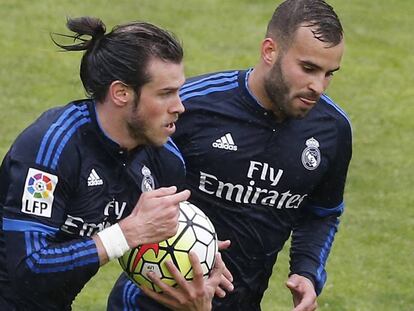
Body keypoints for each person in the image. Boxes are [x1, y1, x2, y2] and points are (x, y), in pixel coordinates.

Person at [108, 0, 352, 310]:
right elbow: (122, 183)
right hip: (151, 302)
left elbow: (322, 211)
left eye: (329, 73)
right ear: (270, 51)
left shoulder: (333, 130)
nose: (318, 86)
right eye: (308, 68)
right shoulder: (192, 107)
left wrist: (306, 271)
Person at [0, 16, 228, 311]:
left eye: (179, 91)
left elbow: (152, 244)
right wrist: (128, 232)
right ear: (121, 93)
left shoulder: (165, 160)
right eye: (165, 93)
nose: (179, 106)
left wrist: (197, 256)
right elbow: (27, 267)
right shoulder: (50, 150)